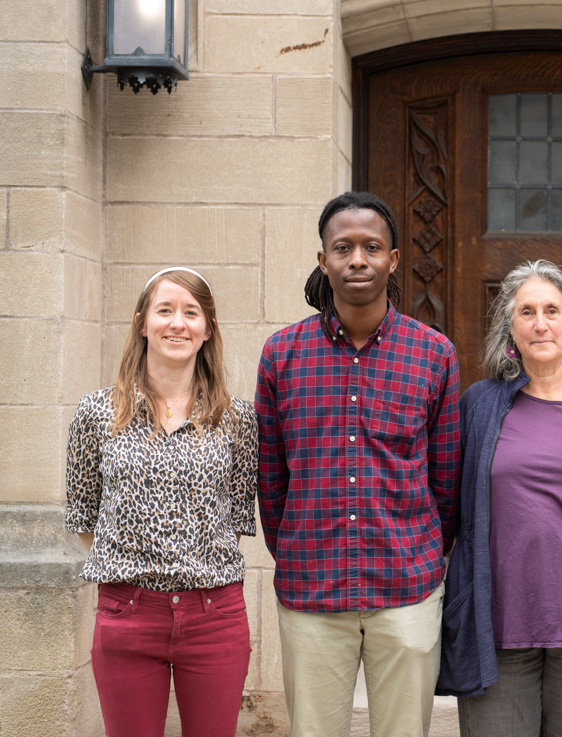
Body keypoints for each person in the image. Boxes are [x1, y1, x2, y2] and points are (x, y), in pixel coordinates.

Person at [255, 191, 460, 737]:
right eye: (342, 248)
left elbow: (445, 477)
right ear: (323, 260)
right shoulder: (282, 355)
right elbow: (270, 478)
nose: (357, 260)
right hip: (311, 588)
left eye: (372, 247)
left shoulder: (433, 354)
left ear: (393, 259)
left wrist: (422, 549)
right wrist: (296, 544)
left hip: (406, 588)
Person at [437, 260, 562, 737]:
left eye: (552, 310)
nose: (540, 323)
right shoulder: (478, 405)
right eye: (526, 312)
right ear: (510, 330)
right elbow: (450, 506)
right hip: (496, 627)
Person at [65, 267, 256, 737]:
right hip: (128, 615)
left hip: (215, 618)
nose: (177, 323)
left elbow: (235, 517)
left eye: (191, 312)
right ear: (141, 323)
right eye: (164, 310)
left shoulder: (238, 420)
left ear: (207, 329)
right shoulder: (96, 414)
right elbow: (84, 514)